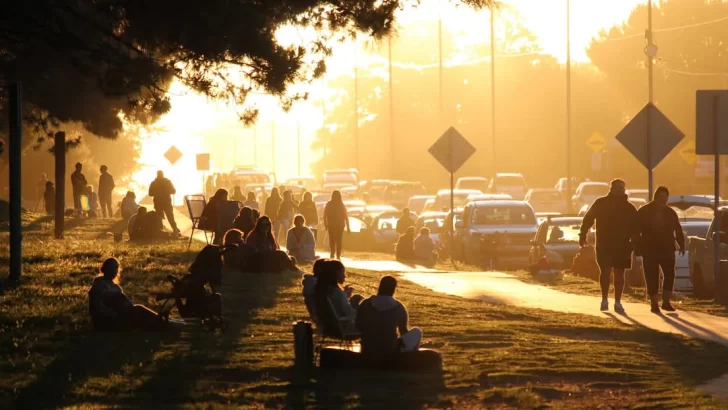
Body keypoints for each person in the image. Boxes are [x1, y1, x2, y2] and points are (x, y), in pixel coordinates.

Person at [579, 179, 639, 313]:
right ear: (611, 189)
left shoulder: (629, 207)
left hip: (623, 245)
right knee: (605, 271)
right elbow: (588, 218)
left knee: (619, 273)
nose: (619, 191)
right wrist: (583, 233)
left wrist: (635, 240)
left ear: (624, 190)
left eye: (622, 188)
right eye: (617, 188)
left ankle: (618, 302)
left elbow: (636, 225)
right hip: (604, 244)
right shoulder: (601, 203)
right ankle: (604, 299)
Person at [637, 186, 685, 313]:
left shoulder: (670, 212)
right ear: (655, 197)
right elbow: (636, 230)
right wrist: (637, 247)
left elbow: (678, 229)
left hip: (667, 249)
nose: (663, 200)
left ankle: (666, 302)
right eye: (660, 197)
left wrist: (681, 244)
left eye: (665, 197)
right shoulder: (644, 211)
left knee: (670, 275)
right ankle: (654, 303)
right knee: (651, 276)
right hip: (649, 249)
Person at [88, 258, 167, 331]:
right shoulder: (99, 286)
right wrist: (116, 315)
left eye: (117, 268)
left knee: (138, 310)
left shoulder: (115, 287)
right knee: (138, 309)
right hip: (109, 321)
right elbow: (97, 308)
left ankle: (159, 320)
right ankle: (160, 321)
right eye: (113, 267)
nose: (115, 270)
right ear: (106, 269)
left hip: (121, 316)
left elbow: (127, 303)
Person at [356, 276, 422, 358]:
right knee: (417, 331)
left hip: (367, 348)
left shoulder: (366, 303)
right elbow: (403, 331)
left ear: (379, 287)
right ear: (394, 289)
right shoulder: (399, 307)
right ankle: (408, 360)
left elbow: (358, 326)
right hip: (389, 350)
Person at [313, 260, 357, 334]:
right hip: (344, 328)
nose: (344, 276)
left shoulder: (323, 291)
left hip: (329, 328)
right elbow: (349, 313)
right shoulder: (336, 293)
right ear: (336, 273)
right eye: (343, 272)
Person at [324, 190, 350, 260]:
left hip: (339, 225)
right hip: (332, 225)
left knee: (338, 240)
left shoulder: (341, 205)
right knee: (332, 240)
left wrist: (348, 226)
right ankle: (333, 252)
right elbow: (325, 214)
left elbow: (345, 216)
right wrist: (325, 224)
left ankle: (338, 254)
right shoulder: (330, 204)